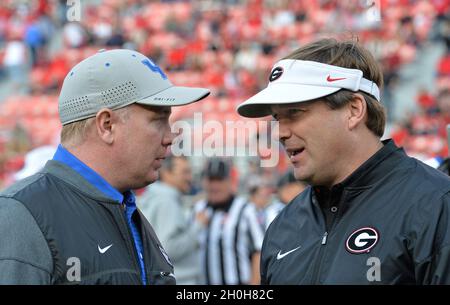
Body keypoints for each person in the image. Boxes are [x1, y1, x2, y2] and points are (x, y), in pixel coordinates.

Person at [237, 38, 450, 284]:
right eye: (277, 118)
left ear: (353, 110)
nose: (280, 133)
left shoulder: (434, 204)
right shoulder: (284, 225)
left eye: (294, 112)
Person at [0, 49, 210, 284]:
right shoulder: (20, 216)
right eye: (158, 119)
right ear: (107, 125)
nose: (170, 137)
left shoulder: (127, 211)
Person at [138, 155, 208, 284]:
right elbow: (168, 249)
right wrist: (198, 226)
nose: (190, 178)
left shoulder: (158, 197)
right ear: (167, 174)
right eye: (185, 172)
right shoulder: (167, 201)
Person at [195, 158, 264, 285]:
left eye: (219, 180)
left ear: (229, 181)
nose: (215, 186)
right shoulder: (199, 209)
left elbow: (258, 252)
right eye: (211, 180)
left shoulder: (245, 209)